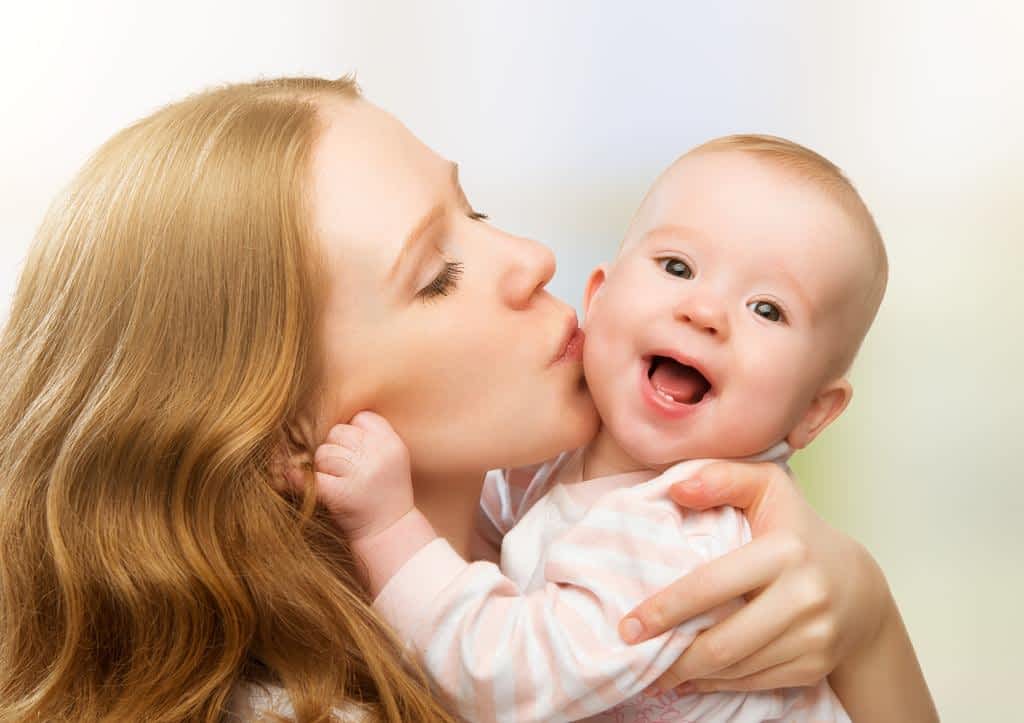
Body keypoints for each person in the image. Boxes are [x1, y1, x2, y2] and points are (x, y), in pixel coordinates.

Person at [0, 76, 935, 722]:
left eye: (475, 209)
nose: (533, 259)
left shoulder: (531, 513)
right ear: (291, 435)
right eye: (437, 275)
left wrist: (867, 622)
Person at [304, 135, 896, 721]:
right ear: (600, 297)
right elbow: (498, 563)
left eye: (767, 309)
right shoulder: (560, 465)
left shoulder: (683, 529)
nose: (705, 312)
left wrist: (388, 529)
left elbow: (503, 680)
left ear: (814, 411)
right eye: (677, 266)